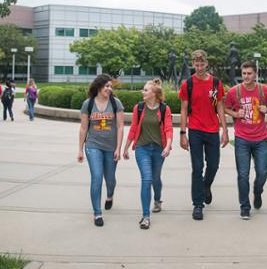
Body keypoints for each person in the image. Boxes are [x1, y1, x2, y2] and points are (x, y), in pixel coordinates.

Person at [179, 49, 229, 221]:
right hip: (195, 130)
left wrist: (225, 130)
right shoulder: (188, 84)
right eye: (196, 64)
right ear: (193, 64)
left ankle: (206, 186)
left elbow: (219, 107)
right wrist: (182, 133)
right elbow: (184, 109)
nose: (199, 68)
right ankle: (198, 205)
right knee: (197, 167)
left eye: (202, 64)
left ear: (206, 64)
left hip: (212, 130)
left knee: (213, 165)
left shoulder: (215, 83)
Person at [224, 61, 267, 220]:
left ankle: (257, 191)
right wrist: (234, 114)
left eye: (249, 73)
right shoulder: (234, 92)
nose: (246, 76)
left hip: (260, 138)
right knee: (243, 174)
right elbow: (224, 107)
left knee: (262, 171)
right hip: (242, 139)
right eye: (244, 73)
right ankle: (245, 207)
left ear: (255, 74)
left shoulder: (263, 90)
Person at [123, 78, 173, 230]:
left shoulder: (164, 109)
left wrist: (168, 146)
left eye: (145, 90)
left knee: (155, 178)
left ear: (154, 93)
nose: (142, 92)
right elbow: (133, 128)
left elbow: (168, 129)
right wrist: (125, 148)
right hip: (142, 148)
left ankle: (157, 200)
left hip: (159, 149)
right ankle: (145, 216)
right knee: (147, 178)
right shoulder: (138, 108)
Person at [77, 74, 125, 227]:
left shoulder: (115, 103)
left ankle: (109, 195)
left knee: (110, 179)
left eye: (111, 87)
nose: (109, 89)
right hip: (93, 145)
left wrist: (118, 147)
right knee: (97, 177)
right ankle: (97, 213)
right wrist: (80, 149)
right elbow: (84, 128)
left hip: (111, 147)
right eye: (107, 87)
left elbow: (120, 126)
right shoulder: (88, 104)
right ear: (99, 87)